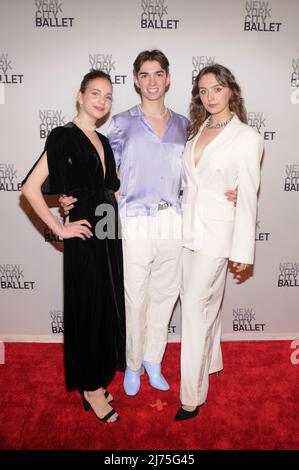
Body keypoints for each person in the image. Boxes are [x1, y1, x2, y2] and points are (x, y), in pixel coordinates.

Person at [60, 51, 237, 397]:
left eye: (158, 74)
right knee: (134, 299)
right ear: (136, 80)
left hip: (173, 221)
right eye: (145, 74)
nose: (152, 81)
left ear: (168, 79)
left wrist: (230, 191)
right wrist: (72, 197)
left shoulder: (186, 125)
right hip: (132, 222)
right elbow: (100, 171)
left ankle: (154, 361)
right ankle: (134, 364)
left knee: (164, 296)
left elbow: (200, 171)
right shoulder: (122, 122)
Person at [21, 70, 126, 423]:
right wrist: (60, 229)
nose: (102, 100)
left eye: (108, 96)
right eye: (95, 93)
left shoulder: (103, 139)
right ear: (79, 96)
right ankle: (92, 388)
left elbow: (111, 189)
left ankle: (93, 378)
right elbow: (30, 189)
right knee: (88, 309)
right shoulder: (63, 136)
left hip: (108, 232)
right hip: (83, 234)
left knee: (106, 307)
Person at [174, 64, 263, 421]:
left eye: (217, 88)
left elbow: (248, 197)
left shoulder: (247, 138)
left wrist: (242, 250)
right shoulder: (196, 130)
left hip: (217, 235)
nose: (210, 96)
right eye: (203, 90)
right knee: (200, 303)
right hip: (186, 231)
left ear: (231, 91)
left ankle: (191, 397)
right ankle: (210, 361)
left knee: (195, 309)